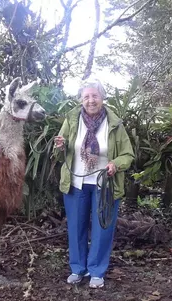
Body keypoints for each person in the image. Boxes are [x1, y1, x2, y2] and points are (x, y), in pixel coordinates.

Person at [54, 78, 134, 288]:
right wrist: (60, 146)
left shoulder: (114, 123)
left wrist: (115, 164)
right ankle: (77, 268)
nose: (91, 100)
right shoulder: (72, 119)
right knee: (76, 226)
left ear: (102, 98)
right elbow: (60, 148)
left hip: (105, 184)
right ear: (81, 99)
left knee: (102, 228)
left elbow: (128, 154)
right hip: (75, 182)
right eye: (86, 96)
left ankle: (97, 270)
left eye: (95, 96)